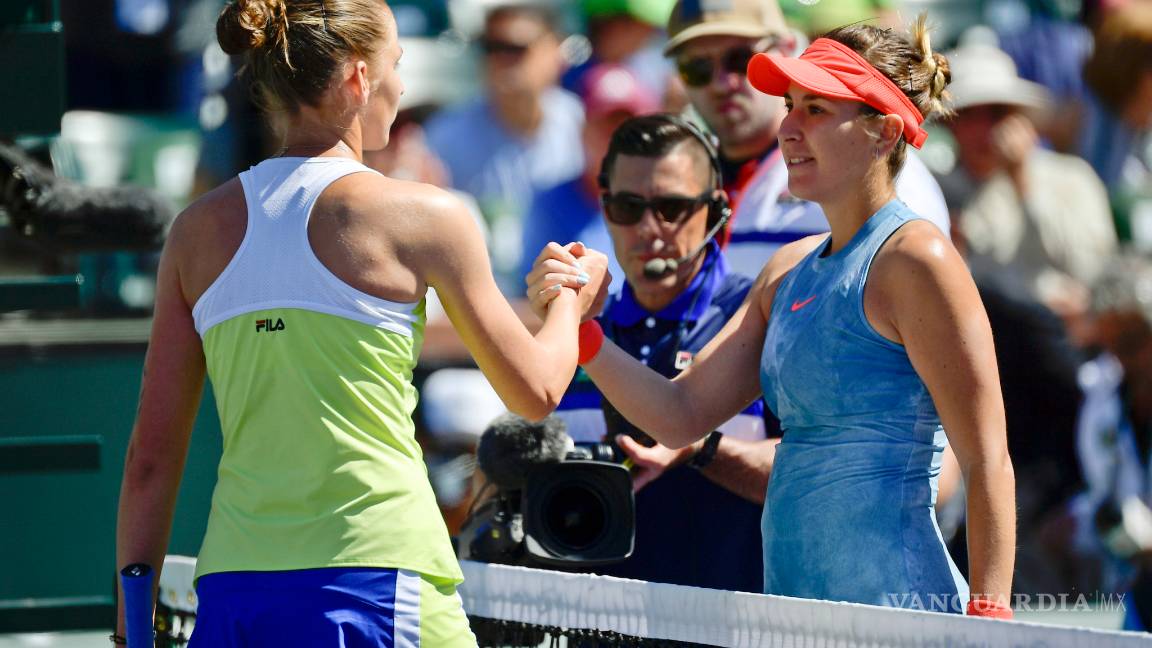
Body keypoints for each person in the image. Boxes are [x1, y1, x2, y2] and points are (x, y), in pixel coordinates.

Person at [113, 1, 607, 645]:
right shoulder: (427, 217)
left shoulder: (194, 233)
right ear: (358, 77)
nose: (401, 86)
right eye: (396, 64)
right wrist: (571, 295)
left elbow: (150, 460)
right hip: (379, 583)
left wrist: (130, 626)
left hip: (236, 590)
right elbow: (535, 389)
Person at [530, 16, 1016, 615]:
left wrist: (989, 619)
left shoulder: (918, 257)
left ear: (884, 131)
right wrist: (583, 327)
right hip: (790, 614)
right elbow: (679, 415)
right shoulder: (786, 269)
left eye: (816, 109)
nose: (787, 128)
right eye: (789, 106)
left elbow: (987, 457)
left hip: (902, 616)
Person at [554, 114, 773, 592]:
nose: (649, 229)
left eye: (672, 207)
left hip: (740, 618)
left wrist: (701, 449)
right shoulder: (577, 329)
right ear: (605, 207)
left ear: (717, 210)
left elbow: (817, 471)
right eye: (628, 207)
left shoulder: (759, 318)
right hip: (598, 621)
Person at [662, 0, 951, 279]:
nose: (720, 83)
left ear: (788, 47)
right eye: (696, 68)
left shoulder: (880, 171)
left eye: (739, 60)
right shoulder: (668, 178)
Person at [941, 34, 1117, 341]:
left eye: (996, 113)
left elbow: (1092, 270)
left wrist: (1023, 182)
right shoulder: (938, 191)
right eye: (968, 115)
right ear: (949, 123)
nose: (983, 130)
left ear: (1017, 117)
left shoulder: (1072, 178)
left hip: (1066, 344)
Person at [424, 3, 585, 294]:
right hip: (481, 297)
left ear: (556, 52)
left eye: (515, 47)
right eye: (490, 47)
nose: (501, 59)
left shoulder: (581, 126)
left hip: (567, 292)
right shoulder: (444, 136)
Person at [1069, 254, 1152, 631]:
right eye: (1112, 345)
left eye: (1134, 342)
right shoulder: (1102, 395)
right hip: (1134, 587)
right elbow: (1102, 494)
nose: (1123, 359)